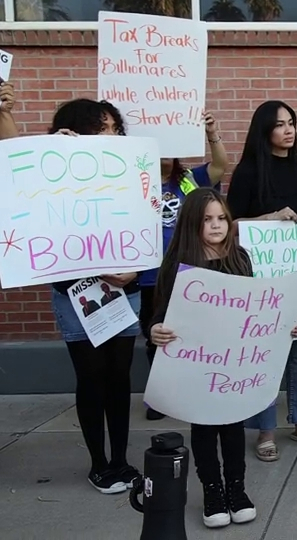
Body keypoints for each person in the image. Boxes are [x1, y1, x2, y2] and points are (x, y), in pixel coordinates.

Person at [149, 188, 297, 528]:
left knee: (233, 427)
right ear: (192, 223)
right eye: (207, 219)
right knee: (204, 429)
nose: (216, 225)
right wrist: (155, 330)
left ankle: (237, 488)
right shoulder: (177, 266)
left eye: (221, 218)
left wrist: (283, 326)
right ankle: (212, 490)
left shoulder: (240, 258)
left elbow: (256, 309)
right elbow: (159, 315)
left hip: (234, 364)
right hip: (196, 364)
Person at [46, 98, 143, 493]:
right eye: (103, 128)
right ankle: (99, 464)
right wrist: (52, 152)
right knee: (92, 378)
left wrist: (134, 267)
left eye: (115, 128)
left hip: (125, 289)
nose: (113, 134)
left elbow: (143, 220)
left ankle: (120, 459)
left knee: (120, 379)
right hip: (77, 293)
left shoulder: (127, 174)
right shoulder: (54, 174)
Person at [226, 100, 297, 462]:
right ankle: (265, 431)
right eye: (280, 124)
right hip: (260, 279)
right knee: (265, 356)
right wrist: (269, 217)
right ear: (264, 129)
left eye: (292, 123)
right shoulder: (248, 172)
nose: (289, 130)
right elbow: (231, 226)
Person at [138, 111, 228, 421]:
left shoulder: (189, 179)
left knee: (194, 333)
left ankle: (192, 389)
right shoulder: (133, 180)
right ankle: (160, 395)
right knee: (156, 334)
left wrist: (211, 132)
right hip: (150, 274)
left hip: (191, 270)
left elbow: (219, 166)